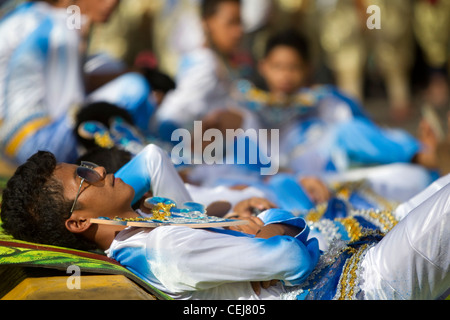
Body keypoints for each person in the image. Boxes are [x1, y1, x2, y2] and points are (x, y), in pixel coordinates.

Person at [1, 149, 449, 300]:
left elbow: (154, 159)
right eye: (83, 176)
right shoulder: (164, 249)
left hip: (354, 253)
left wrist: (234, 221)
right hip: (362, 285)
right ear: (77, 220)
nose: (98, 170)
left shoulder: (148, 221)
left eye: (87, 164)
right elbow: (292, 258)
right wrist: (267, 217)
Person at [0, 0, 155, 165]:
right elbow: (73, 109)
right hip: (36, 145)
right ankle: (139, 160)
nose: (110, 4)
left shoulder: (46, 19)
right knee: (134, 87)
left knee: (112, 68)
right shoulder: (63, 29)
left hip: (17, 139)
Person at [154, 0, 248, 142]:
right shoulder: (206, 64)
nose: (238, 32)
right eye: (231, 23)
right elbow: (173, 115)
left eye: (240, 22)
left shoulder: (214, 60)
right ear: (207, 23)